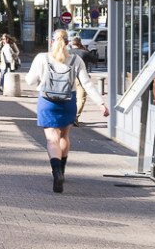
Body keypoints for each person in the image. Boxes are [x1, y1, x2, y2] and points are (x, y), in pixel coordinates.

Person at [24, 28, 109, 192]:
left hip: (47, 101)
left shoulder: (42, 58)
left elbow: (29, 81)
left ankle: (56, 172)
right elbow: (87, 83)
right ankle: (62, 170)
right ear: (68, 42)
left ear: (51, 41)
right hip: (69, 101)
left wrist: (42, 80)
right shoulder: (75, 60)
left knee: (51, 139)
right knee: (64, 136)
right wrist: (100, 103)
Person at [67, 35, 98, 126]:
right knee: (81, 98)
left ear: (71, 44)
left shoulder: (67, 52)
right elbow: (95, 61)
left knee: (69, 97)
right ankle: (75, 117)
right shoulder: (84, 53)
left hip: (69, 77)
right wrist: (86, 50)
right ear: (80, 43)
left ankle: (68, 116)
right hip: (81, 77)